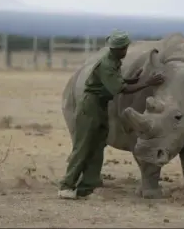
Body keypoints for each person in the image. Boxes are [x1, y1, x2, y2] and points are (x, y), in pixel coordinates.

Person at [58, 30, 165, 199]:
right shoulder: (107, 64)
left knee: (98, 145)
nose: (125, 52)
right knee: (84, 146)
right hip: (90, 106)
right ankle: (67, 185)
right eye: (123, 49)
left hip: (101, 106)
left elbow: (118, 81)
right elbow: (121, 89)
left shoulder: (114, 61)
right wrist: (147, 83)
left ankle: (88, 186)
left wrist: (134, 79)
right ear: (118, 49)